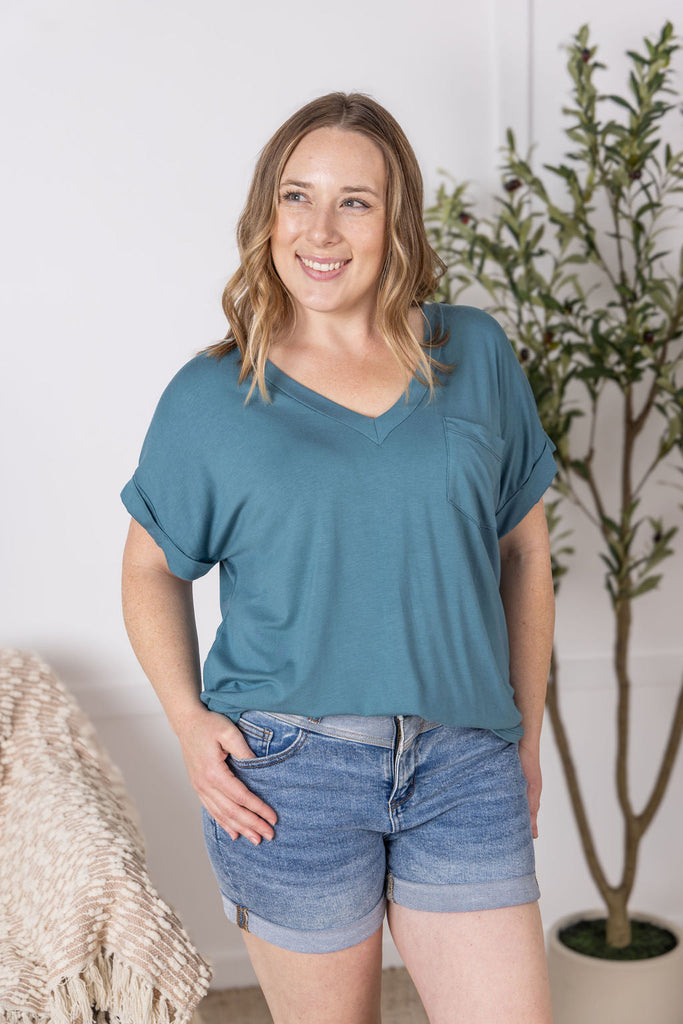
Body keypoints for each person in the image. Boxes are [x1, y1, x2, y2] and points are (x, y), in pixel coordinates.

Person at [120, 91, 557, 1024]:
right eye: (297, 196)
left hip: (464, 762)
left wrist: (524, 735)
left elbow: (524, 550)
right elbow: (151, 566)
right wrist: (189, 722)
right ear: (266, 214)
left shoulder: (474, 353)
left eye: (354, 201)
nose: (320, 230)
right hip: (289, 774)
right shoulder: (213, 394)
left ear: (396, 222)